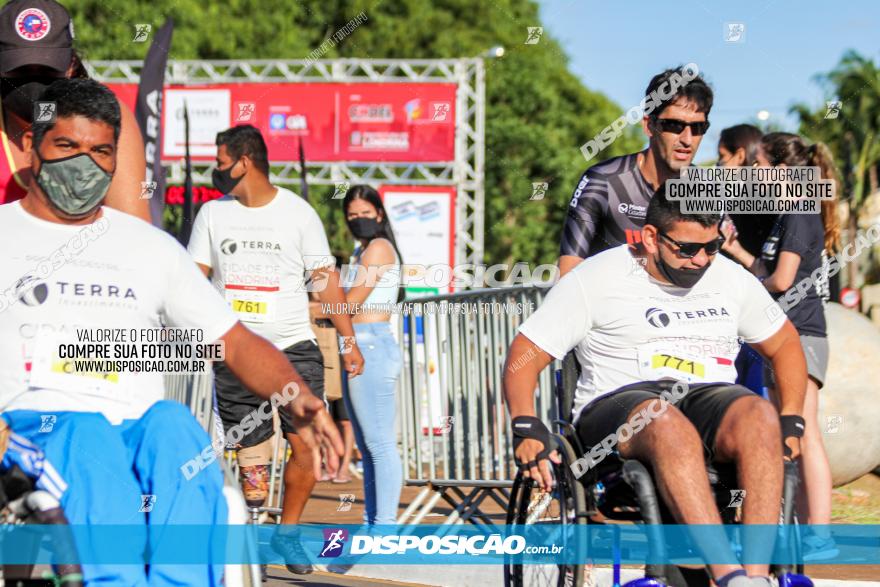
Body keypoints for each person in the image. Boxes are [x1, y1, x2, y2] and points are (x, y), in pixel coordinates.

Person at [0, 78, 342, 586]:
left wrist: (297, 396)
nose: (85, 164)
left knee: (176, 427)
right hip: (30, 426)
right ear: (32, 147)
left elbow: (235, 340)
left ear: (117, 160)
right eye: (67, 146)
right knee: (86, 431)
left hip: (135, 431)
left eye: (100, 151)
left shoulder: (150, 248)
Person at [505, 185, 809, 586]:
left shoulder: (730, 278)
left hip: (705, 393)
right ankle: (729, 576)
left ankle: (755, 577)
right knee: (662, 417)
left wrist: (791, 418)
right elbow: (526, 353)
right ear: (650, 237)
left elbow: (785, 343)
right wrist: (525, 423)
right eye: (686, 249)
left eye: (712, 246)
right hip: (620, 404)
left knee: (759, 414)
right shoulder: (595, 278)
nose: (700, 260)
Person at [187, 124, 363, 575]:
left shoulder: (299, 214)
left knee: (306, 442)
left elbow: (326, 281)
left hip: (293, 346)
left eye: (221, 160)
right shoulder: (212, 215)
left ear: (244, 162)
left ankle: (287, 533)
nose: (216, 168)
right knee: (253, 475)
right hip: (236, 351)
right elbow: (193, 279)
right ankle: (249, 541)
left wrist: (348, 341)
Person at [721, 132, 839, 561]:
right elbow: (769, 267)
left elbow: (783, 280)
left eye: (759, 167)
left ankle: (819, 536)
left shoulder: (799, 208)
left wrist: (750, 292)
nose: (754, 175)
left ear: (783, 172)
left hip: (801, 334)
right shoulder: (786, 213)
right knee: (794, 430)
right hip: (784, 334)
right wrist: (735, 250)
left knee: (802, 431)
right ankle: (808, 532)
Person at [558, 65, 713, 277]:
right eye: (674, 126)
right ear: (649, 126)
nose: (687, 140)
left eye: (697, 128)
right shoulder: (604, 181)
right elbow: (568, 273)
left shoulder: (706, 187)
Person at [0, 0, 149, 220]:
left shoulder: (104, 117)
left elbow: (134, 231)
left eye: (47, 70)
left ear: (70, 66)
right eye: (19, 70)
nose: (33, 82)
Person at [339, 184, 404, 525]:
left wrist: (315, 305)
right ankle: (372, 521)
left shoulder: (378, 247)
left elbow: (349, 303)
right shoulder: (359, 252)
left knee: (379, 444)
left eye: (365, 213)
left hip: (372, 344)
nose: (359, 220)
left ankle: (385, 527)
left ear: (379, 214)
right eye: (352, 215)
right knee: (368, 448)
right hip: (357, 343)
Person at [717, 124, 769, 395]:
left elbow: (768, 268)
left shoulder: (747, 200)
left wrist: (733, 249)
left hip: (752, 316)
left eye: (720, 159)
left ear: (739, 156)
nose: (718, 167)